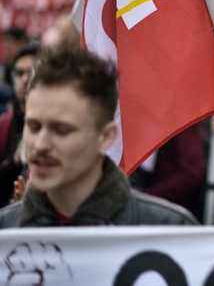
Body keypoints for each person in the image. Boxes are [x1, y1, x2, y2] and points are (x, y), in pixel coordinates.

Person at [0, 46, 198, 227]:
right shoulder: (6, 229)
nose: (40, 144)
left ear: (105, 137)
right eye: (33, 126)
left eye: (62, 130)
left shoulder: (166, 228)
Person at [0, 43, 40, 207]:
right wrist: (13, 162)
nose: (25, 79)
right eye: (19, 73)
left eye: (31, 72)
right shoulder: (4, 124)